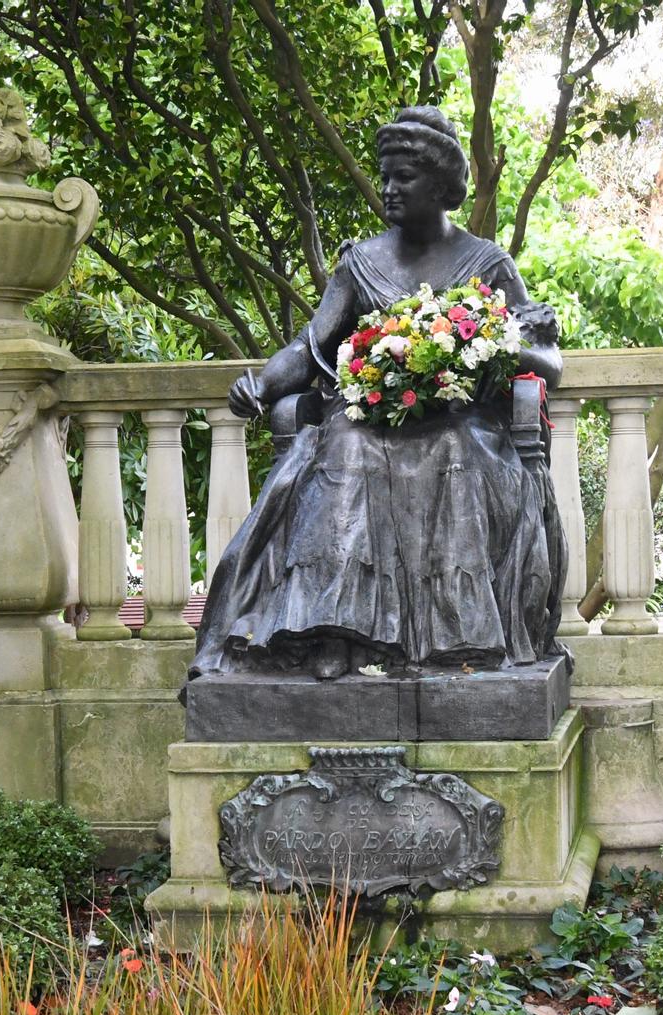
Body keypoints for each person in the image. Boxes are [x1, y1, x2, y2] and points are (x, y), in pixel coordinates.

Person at [191, 106, 565, 683]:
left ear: (440, 184)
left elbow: (548, 363)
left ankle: (457, 639)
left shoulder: (487, 263)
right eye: (384, 176)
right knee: (343, 447)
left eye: (403, 178)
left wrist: (490, 341)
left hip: (457, 421)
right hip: (370, 416)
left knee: (455, 450)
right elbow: (309, 343)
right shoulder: (360, 264)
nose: (388, 189)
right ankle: (332, 632)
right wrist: (262, 385)